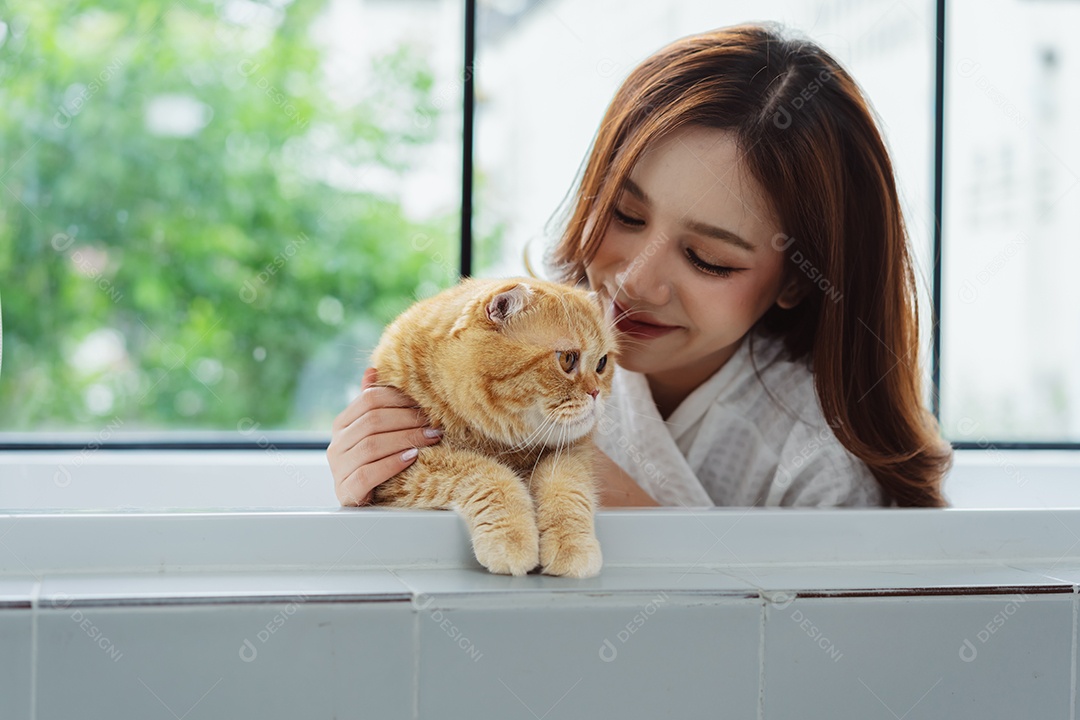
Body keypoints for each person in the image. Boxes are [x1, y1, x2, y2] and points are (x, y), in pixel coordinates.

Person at [328, 23, 953, 509]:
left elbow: (790, 661)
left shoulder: (818, 458)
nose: (634, 282)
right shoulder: (508, 344)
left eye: (708, 259)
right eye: (625, 216)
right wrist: (380, 483)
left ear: (797, 278)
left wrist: (614, 501)